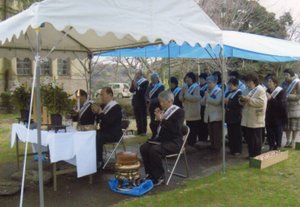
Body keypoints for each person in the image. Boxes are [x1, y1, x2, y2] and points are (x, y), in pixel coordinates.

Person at [140, 91, 185, 186]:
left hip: (174, 142)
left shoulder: (179, 112)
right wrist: (156, 119)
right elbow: (156, 131)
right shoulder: (165, 112)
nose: (161, 104)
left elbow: (175, 129)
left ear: (170, 101)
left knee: (154, 150)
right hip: (162, 139)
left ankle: (159, 176)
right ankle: (150, 174)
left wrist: (162, 120)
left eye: (163, 102)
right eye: (160, 102)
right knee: (144, 147)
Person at [91, 87, 123, 168]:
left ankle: (99, 161)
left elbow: (109, 122)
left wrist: (100, 113)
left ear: (110, 95)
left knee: (97, 137)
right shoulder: (103, 106)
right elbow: (99, 120)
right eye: (100, 95)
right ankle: (90, 159)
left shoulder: (116, 107)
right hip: (104, 131)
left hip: (113, 133)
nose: (101, 97)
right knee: (90, 135)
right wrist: (95, 113)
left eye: (103, 95)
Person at [239, 72, 267, 158]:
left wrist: (249, 100)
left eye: (248, 82)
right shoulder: (246, 89)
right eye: (246, 82)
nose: (247, 84)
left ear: (253, 81)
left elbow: (261, 103)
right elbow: (241, 101)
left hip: (256, 118)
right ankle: (251, 154)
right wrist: (242, 100)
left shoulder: (260, 90)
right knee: (249, 138)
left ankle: (257, 155)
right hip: (247, 118)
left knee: (256, 138)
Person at [265, 75, 288, 150]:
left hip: (278, 116)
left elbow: (281, 105)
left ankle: (278, 146)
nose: (268, 83)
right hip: (269, 116)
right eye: (268, 81)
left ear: (275, 83)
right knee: (269, 132)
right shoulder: (267, 91)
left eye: (270, 81)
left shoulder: (281, 91)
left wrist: (271, 99)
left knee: (278, 132)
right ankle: (271, 146)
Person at [179, 72, 201, 146]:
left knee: (193, 129)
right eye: (186, 78)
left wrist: (186, 94)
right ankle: (189, 143)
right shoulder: (185, 87)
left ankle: (193, 143)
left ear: (192, 79)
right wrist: (183, 91)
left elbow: (195, 98)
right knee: (188, 128)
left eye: (189, 78)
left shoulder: (196, 87)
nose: (187, 79)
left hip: (194, 112)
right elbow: (180, 98)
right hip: (187, 111)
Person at [204, 75, 223, 151]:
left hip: (216, 116)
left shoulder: (219, 90)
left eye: (210, 83)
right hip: (209, 115)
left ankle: (217, 148)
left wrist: (207, 97)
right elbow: (203, 102)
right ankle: (213, 146)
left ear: (215, 83)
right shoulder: (207, 91)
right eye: (207, 83)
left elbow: (217, 102)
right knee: (211, 133)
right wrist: (205, 96)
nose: (208, 84)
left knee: (216, 133)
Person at [225, 78, 243, 155]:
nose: (229, 86)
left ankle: (237, 150)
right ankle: (232, 149)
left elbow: (237, 104)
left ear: (235, 85)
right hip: (229, 116)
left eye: (230, 85)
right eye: (228, 85)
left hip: (236, 117)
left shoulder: (239, 93)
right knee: (230, 134)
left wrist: (228, 102)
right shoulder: (228, 93)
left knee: (237, 134)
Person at [283, 68, 300, 148]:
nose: (285, 77)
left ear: (291, 75)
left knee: (294, 126)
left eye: (287, 75)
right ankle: (288, 141)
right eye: (284, 75)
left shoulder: (297, 82)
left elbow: (298, 96)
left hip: (295, 107)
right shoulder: (284, 83)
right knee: (287, 126)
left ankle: (293, 140)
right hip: (286, 107)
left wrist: (288, 96)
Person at [129, 69, 149, 135]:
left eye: (137, 74)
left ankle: (143, 131)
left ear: (140, 74)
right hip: (135, 101)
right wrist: (133, 84)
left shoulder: (145, 81)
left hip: (142, 101)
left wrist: (136, 86)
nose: (136, 75)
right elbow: (131, 90)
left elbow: (143, 91)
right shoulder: (134, 81)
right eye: (135, 73)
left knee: (142, 116)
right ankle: (139, 130)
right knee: (137, 117)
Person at [145, 72, 165, 139]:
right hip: (151, 106)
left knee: (158, 121)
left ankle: (158, 134)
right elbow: (146, 95)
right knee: (152, 122)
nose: (153, 79)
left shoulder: (161, 86)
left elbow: (160, 96)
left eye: (154, 78)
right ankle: (153, 134)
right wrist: (147, 99)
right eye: (152, 78)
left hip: (158, 106)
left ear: (157, 78)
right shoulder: (150, 86)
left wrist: (151, 101)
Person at [199, 73, 209, 142]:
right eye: (200, 79)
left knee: (204, 124)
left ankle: (204, 139)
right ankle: (201, 138)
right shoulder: (199, 86)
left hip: (205, 107)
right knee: (200, 124)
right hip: (198, 107)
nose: (200, 80)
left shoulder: (207, 87)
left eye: (202, 79)